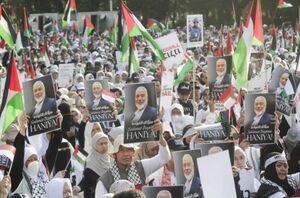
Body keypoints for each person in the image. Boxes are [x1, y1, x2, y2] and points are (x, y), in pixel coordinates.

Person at [95, 119, 171, 196]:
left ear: (133, 152)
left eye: (129, 150)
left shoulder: (141, 166)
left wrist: (160, 136)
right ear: (115, 154)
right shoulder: (104, 180)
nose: (126, 154)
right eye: (121, 150)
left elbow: (164, 158)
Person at [74, 133, 111, 197]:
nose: (104, 146)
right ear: (94, 145)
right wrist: (79, 187)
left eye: (106, 143)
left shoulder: (112, 159)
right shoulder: (90, 161)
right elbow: (86, 179)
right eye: (101, 144)